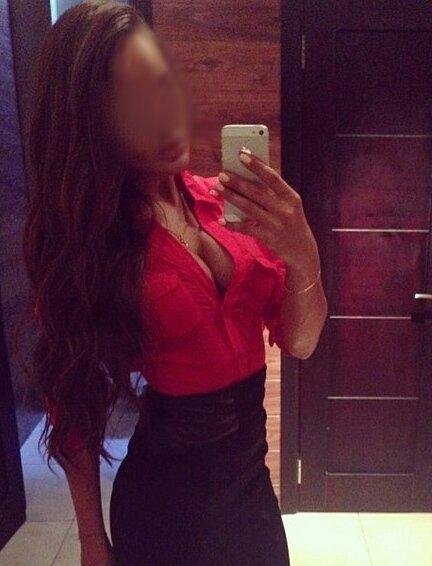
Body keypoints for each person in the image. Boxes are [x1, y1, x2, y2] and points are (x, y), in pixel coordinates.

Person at [25, 1, 328, 564]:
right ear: (94, 127)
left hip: (251, 495)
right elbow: (73, 403)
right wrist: (92, 541)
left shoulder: (224, 205)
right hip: (164, 511)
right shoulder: (96, 244)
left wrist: (304, 253)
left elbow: (303, 341)